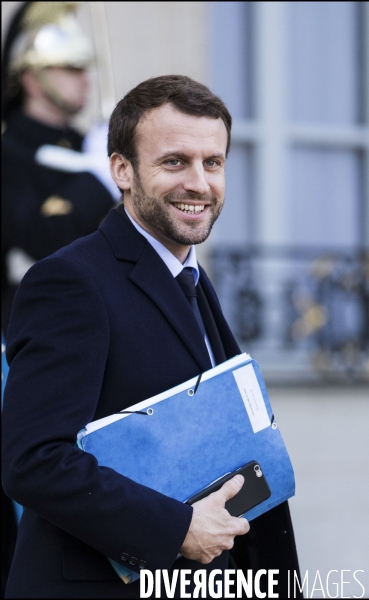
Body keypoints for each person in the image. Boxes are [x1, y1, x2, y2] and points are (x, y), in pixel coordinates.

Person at [2, 75, 301, 598]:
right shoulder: (69, 281)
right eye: (174, 162)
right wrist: (178, 530)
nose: (200, 183)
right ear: (122, 169)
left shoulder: (190, 276)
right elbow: (33, 461)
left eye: (213, 163)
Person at [1, 1, 119, 336]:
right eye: (71, 68)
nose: (86, 80)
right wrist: (98, 177)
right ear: (32, 79)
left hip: (92, 314)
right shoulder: (8, 152)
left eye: (84, 68)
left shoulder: (89, 143)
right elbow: (42, 238)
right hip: (24, 326)